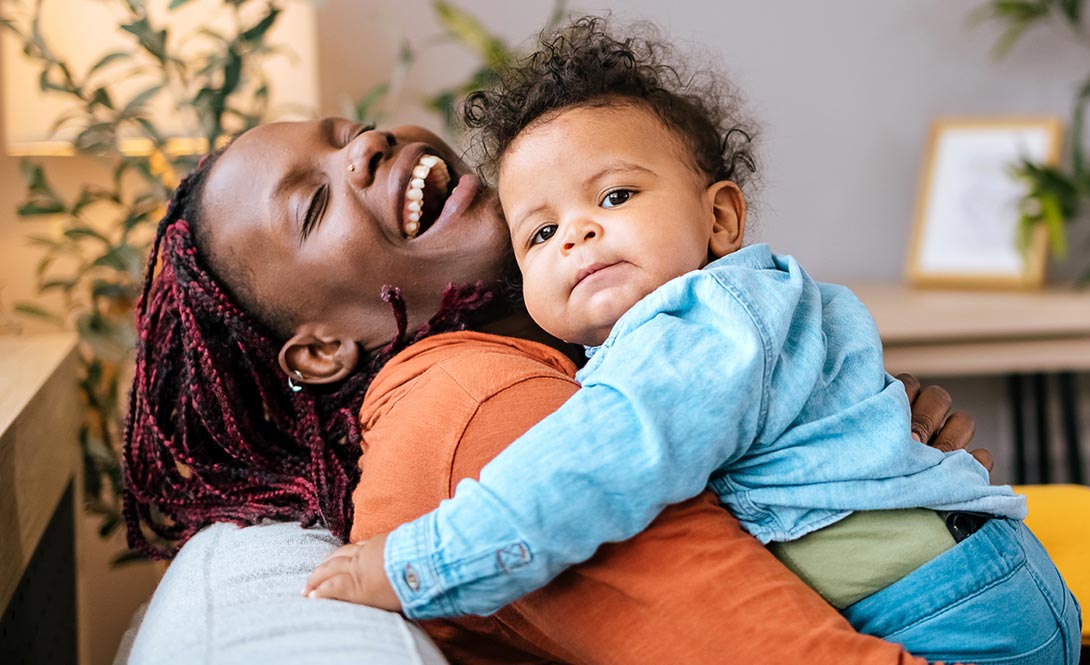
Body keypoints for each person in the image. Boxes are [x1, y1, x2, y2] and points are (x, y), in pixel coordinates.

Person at [306, 17, 1080, 665]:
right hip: (959, 584)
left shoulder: (703, 316)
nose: (577, 231)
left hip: (939, 607)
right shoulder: (547, 368)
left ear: (720, 220)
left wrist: (420, 564)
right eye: (540, 232)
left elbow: (595, 462)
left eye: (615, 195)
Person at [122, 115, 990, 662]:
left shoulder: (571, 352)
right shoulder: (479, 411)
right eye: (312, 205)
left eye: (345, 131)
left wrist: (861, 459)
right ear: (319, 353)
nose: (366, 148)